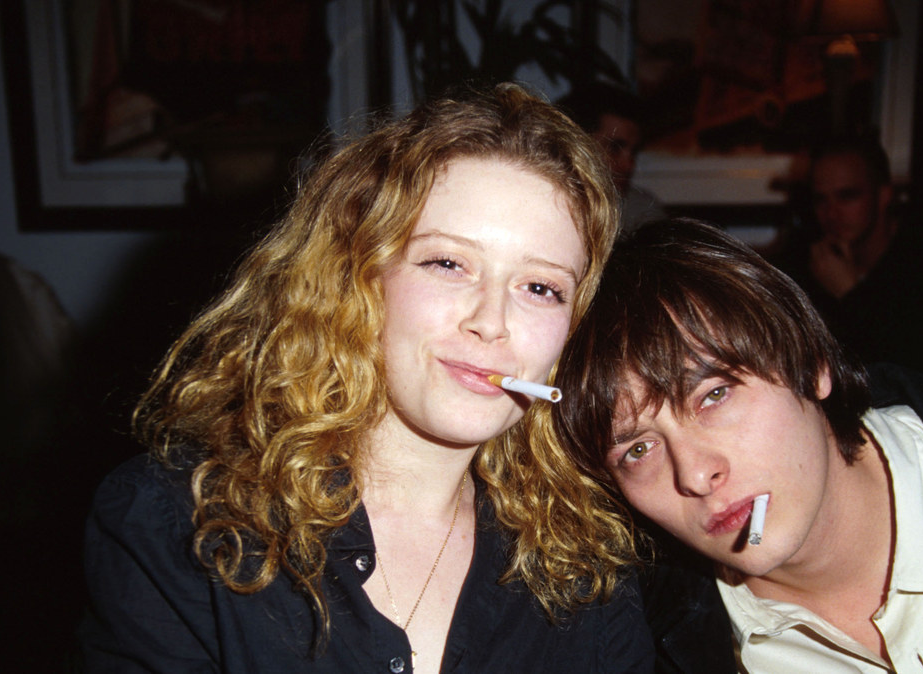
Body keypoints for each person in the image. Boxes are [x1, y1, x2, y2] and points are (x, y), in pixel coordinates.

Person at [79, 83, 653, 672]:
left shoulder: (588, 566)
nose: (492, 323)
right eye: (448, 263)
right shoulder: (180, 523)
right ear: (356, 276)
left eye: (540, 288)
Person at [554, 218, 923, 673]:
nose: (696, 474)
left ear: (811, 362)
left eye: (714, 395)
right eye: (637, 449)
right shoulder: (643, 642)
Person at [772, 136, 923, 383]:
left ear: (883, 196)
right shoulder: (809, 253)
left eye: (847, 196)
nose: (831, 212)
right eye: (821, 199)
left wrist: (851, 294)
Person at [558, 82, 667, 234]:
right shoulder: (545, 204)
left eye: (634, 152)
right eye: (614, 148)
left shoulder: (642, 211)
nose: (629, 165)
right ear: (577, 145)